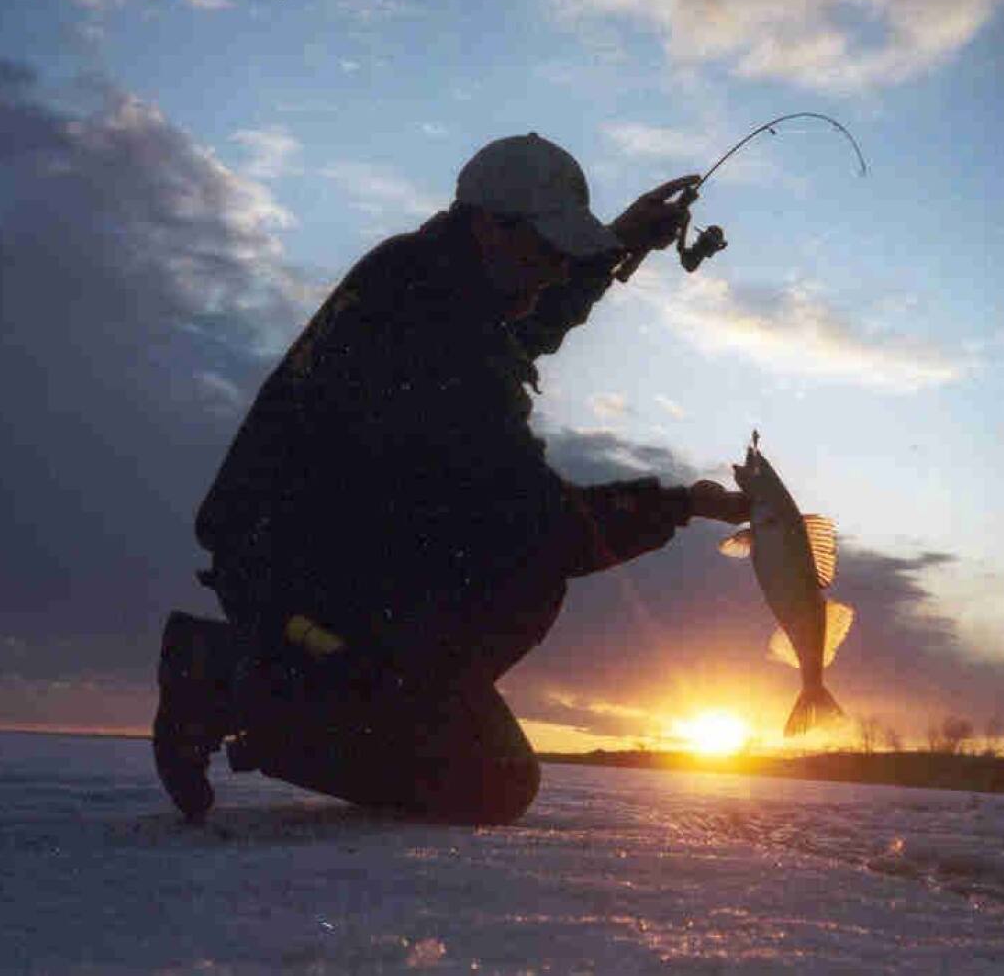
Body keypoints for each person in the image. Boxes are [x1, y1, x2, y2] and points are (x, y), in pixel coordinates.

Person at [153, 133, 750, 824]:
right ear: (490, 226)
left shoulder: (425, 271)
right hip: (297, 582)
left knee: (506, 596)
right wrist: (682, 504)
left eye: (568, 253)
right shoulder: (437, 330)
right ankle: (240, 682)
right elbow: (545, 527)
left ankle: (331, 698)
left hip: (307, 553)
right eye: (551, 248)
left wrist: (615, 246)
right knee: (489, 774)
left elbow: (516, 325)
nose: (559, 269)